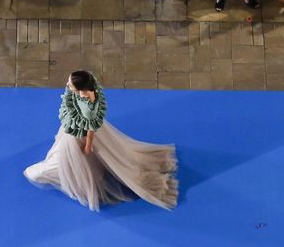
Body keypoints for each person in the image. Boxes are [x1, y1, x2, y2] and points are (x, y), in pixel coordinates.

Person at [24, 70, 179, 212]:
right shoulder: (90, 92)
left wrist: (87, 147)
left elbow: (90, 132)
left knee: (68, 163)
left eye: (70, 85)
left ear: (81, 90)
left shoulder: (87, 111)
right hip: (80, 132)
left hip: (79, 137)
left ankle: (72, 175)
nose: (67, 86)